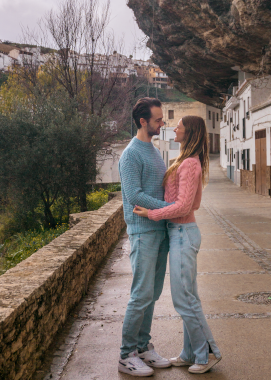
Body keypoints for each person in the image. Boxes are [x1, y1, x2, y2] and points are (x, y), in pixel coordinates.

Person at [134, 116, 222, 374]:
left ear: (190, 131)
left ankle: (207, 354)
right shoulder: (186, 161)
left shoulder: (189, 164)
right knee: (189, 297)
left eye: (179, 125)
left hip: (183, 232)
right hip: (179, 232)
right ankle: (189, 353)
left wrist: (151, 213)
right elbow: (188, 204)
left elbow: (185, 206)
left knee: (184, 300)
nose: (175, 127)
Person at [118, 97, 173, 377]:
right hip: (142, 233)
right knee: (140, 295)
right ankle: (126, 355)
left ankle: (143, 347)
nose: (162, 123)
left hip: (159, 230)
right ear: (143, 122)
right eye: (158, 120)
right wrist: (170, 209)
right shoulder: (131, 154)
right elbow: (134, 196)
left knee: (152, 294)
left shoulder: (153, 149)